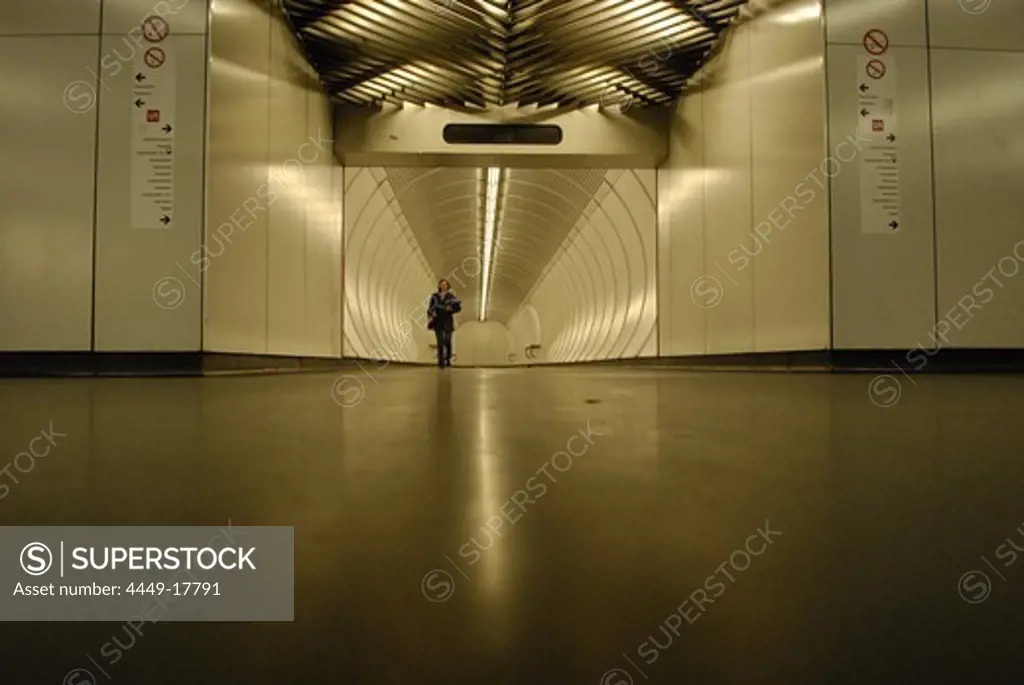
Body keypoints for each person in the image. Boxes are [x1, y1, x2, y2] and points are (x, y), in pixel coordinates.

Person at [427, 279, 461, 368]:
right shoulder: (434, 296)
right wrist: (432, 313)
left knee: (447, 340)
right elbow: (430, 308)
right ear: (439, 286)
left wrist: (451, 309)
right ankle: (441, 361)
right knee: (440, 341)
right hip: (438, 321)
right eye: (441, 284)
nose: (443, 286)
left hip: (448, 321)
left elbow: (458, 308)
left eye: (445, 284)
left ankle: (448, 358)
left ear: (448, 286)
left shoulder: (451, 296)